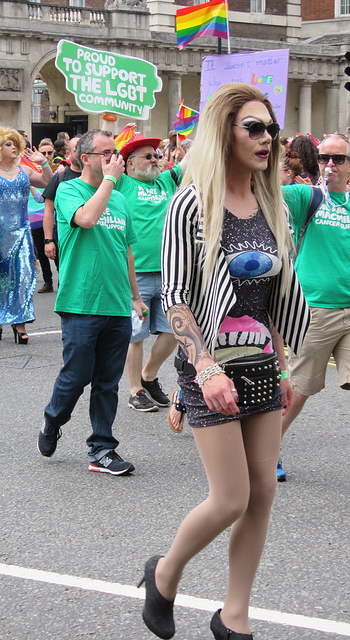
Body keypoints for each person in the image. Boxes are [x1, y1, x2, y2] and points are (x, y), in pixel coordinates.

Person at [139, 83, 310, 640]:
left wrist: (283, 367)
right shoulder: (192, 202)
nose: (267, 139)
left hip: (261, 361)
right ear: (224, 133)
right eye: (254, 128)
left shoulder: (273, 202)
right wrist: (205, 367)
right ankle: (164, 574)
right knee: (231, 497)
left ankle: (233, 615)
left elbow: (274, 295)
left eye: (271, 129)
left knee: (263, 492)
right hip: (206, 362)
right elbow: (176, 297)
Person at [37, 129, 147, 475]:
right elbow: (85, 219)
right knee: (76, 376)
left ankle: (102, 448)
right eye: (106, 153)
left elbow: (126, 249)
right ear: (85, 158)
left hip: (116, 303)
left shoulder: (119, 199)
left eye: (115, 153)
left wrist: (136, 296)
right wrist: (110, 181)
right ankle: (53, 420)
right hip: (81, 301)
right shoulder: (69, 189)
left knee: (107, 382)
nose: (114, 159)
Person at [280, 133, 350, 481]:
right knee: (300, 390)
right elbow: (267, 194)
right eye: (324, 159)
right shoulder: (308, 196)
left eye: (338, 159)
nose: (331, 165)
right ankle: (268, 447)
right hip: (315, 311)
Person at [117, 133, 189, 412]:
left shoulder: (165, 180)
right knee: (136, 334)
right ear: (130, 164)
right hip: (138, 274)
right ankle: (135, 389)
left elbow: (194, 158)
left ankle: (148, 376)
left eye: (156, 155)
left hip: (171, 271)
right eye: (148, 156)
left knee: (174, 330)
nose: (155, 159)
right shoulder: (122, 183)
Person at [0, 125, 53, 342]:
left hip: (22, 233)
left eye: (15, 143)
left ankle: (20, 324)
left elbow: (49, 183)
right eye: (8, 144)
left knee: (23, 278)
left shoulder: (24, 171)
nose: (14, 148)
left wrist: (43, 163)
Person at [42, 135, 82, 269]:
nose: (82, 152)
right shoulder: (60, 178)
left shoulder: (98, 178)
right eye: (77, 149)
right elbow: (48, 211)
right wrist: (49, 240)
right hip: (65, 241)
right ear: (68, 153)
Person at [33, 138, 57, 294]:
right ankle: (48, 282)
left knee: (59, 251)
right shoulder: (32, 171)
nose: (47, 155)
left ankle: (64, 280)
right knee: (41, 251)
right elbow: (38, 198)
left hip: (55, 218)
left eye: (49, 152)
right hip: (35, 219)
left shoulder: (60, 169)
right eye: (43, 153)